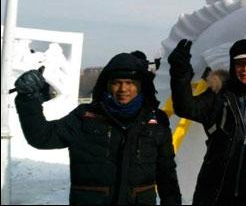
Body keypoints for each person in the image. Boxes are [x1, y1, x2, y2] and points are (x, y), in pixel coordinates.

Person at [13, 52, 181, 205]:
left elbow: (166, 173)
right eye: (116, 83)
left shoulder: (156, 121)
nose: (123, 89)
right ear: (106, 85)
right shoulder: (85, 117)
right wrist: (28, 99)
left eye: (130, 83)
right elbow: (42, 137)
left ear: (140, 86)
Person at [168, 38, 246, 205]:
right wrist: (180, 72)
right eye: (240, 64)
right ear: (232, 65)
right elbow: (186, 108)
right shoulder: (219, 93)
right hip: (216, 189)